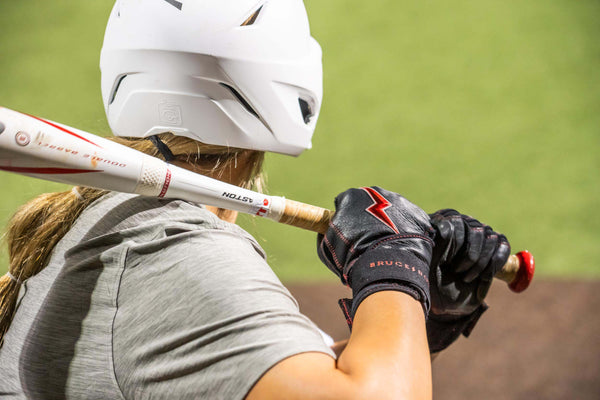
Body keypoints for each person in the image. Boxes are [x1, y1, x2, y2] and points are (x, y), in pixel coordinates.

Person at [0, 1, 510, 399]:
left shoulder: (109, 218)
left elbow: (267, 378)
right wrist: (393, 267)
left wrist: (414, 316)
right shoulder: (175, 254)